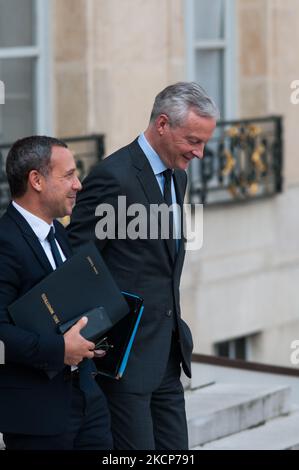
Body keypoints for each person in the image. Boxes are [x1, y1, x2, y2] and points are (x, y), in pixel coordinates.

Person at [67, 82, 219, 450]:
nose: (199, 153)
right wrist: (95, 338)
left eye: (203, 143)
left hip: (167, 354)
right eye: (193, 141)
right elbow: (77, 263)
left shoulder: (177, 176)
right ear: (163, 124)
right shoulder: (113, 176)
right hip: (125, 359)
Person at [0, 136, 113, 450]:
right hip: (37, 417)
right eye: (68, 175)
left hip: (88, 402)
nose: (78, 185)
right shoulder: (5, 242)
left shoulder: (60, 234)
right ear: (36, 180)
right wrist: (59, 349)